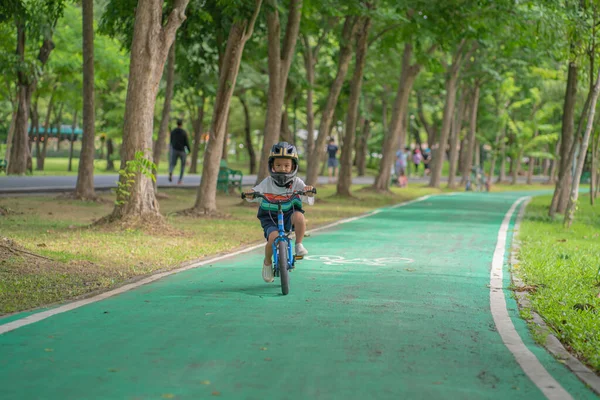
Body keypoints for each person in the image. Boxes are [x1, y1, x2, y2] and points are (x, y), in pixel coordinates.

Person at [244, 142, 314, 283]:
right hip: (270, 216)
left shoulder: (297, 182)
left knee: (300, 216)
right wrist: (251, 193)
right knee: (273, 238)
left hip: (289, 214)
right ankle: (267, 262)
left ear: (293, 166)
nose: (282, 169)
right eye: (278, 165)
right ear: (272, 166)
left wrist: (309, 191)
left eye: (286, 165)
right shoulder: (267, 182)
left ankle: (298, 244)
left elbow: (308, 197)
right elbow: (255, 192)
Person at [169, 119, 190, 184]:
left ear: (177, 124)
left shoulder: (173, 131)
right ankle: (180, 180)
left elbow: (171, 141)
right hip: (182, 151)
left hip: (174, 149)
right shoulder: (184, 132)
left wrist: (173, 146)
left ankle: (171, 171)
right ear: (181, 124)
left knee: (173, 163)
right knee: (182, 166)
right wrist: (189, 150)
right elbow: (186, 142)